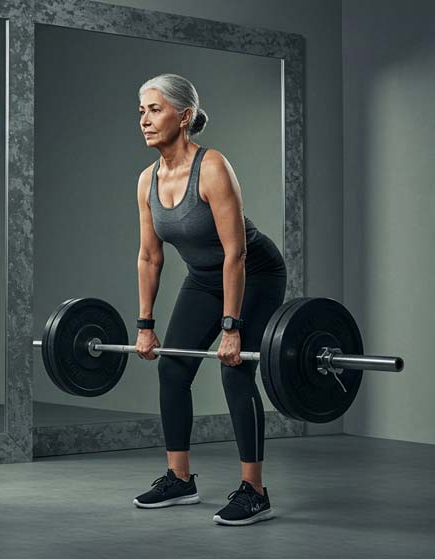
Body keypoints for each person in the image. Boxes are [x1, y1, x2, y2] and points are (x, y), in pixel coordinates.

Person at [130, 74, 286, 526]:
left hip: (254, 273)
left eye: (155, 109)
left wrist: (231, 327)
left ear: (185, 116)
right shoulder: (146, 181)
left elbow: (235, 252)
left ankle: (255, 491)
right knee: (172, 368)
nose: (144, 119)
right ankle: (180, 480)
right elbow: (149, 257)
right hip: (203, 278)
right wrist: (145, 325)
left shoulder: (213, 166)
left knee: (235, 372)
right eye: (141, 111)